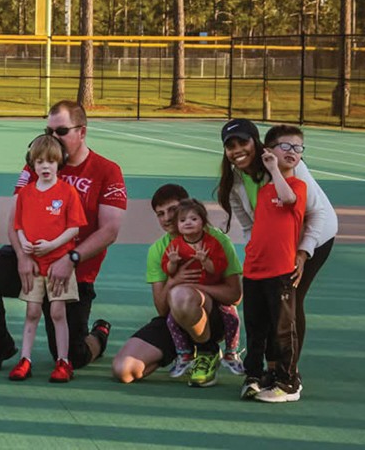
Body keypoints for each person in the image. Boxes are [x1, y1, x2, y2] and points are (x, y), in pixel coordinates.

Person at [0, 100, 127, 373]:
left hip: (74, 272)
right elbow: (13, 220)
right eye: (48, 130)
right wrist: (21, 256)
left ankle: (99, 333)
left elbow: (109, 230)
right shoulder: (37, 165)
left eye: (61, 131)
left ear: (82, 132)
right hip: (33, 260)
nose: (53, 138)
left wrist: (71, 258)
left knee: (71, 356)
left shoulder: (106, 170)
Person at [217, 117, 336, 393]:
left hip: (314, 237)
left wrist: (303, 253)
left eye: (243, 142)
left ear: (256, 143)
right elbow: (250, 227)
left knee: (289, 300)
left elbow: (316, 214)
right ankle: (268, 369)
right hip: (274, 247)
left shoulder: (286, 166)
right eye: (230, 145)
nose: (237, 150)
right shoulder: (234, 181)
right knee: (265, 306)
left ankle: (288, 373)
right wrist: (259, 258)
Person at [110, 184, 243, 387]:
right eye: (160, 214)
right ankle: (182, 352)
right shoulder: (158, 249)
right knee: (124, 371)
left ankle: (207, 351)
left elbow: (235, 295)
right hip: (175, 321)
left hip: (212, 317)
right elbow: (162, 309)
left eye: (172, 210)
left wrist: (196, 288)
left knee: (182, 295)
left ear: (188, 206)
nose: (166, 218)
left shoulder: (216, 240)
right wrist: (174, 280)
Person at [7, 135, 86, 383]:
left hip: (58, 263)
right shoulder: (26, 194)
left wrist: (52, 244)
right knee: (32, 311)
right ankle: (25, 359)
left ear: (59, 163)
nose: (45, 166)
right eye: (39, 161)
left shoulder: (67, 192)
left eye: (50, 161)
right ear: (32, 163)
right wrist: (25, 243)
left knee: (57, 312)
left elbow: (75, 228)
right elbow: (18, 225)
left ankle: (63, 362)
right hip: (35, 266)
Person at [240, 125, 307, 403]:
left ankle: (288, 382)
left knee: (282, 328)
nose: (293, 152)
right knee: (256, 328)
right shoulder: (266, 191)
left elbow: (289, 199)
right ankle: (254, 376)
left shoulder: (295, 186)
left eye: (298, 148)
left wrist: (275, 169)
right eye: (286, 146)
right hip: (255, 271)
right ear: (269, 150)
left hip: (280, 272)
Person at [162, 198, 243, 378]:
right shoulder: (174, 245)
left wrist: (206, 262)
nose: (188, 223)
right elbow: (167, 269)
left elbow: (219, 268)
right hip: (188, 297)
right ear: (177, 226)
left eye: (193, 219)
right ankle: (185, 354)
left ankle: (231, 352)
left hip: (213, 291)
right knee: (171, 321)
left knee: (231, 317)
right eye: (182, 221)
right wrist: (173, 263)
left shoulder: (213, 242)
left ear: (203, 221)